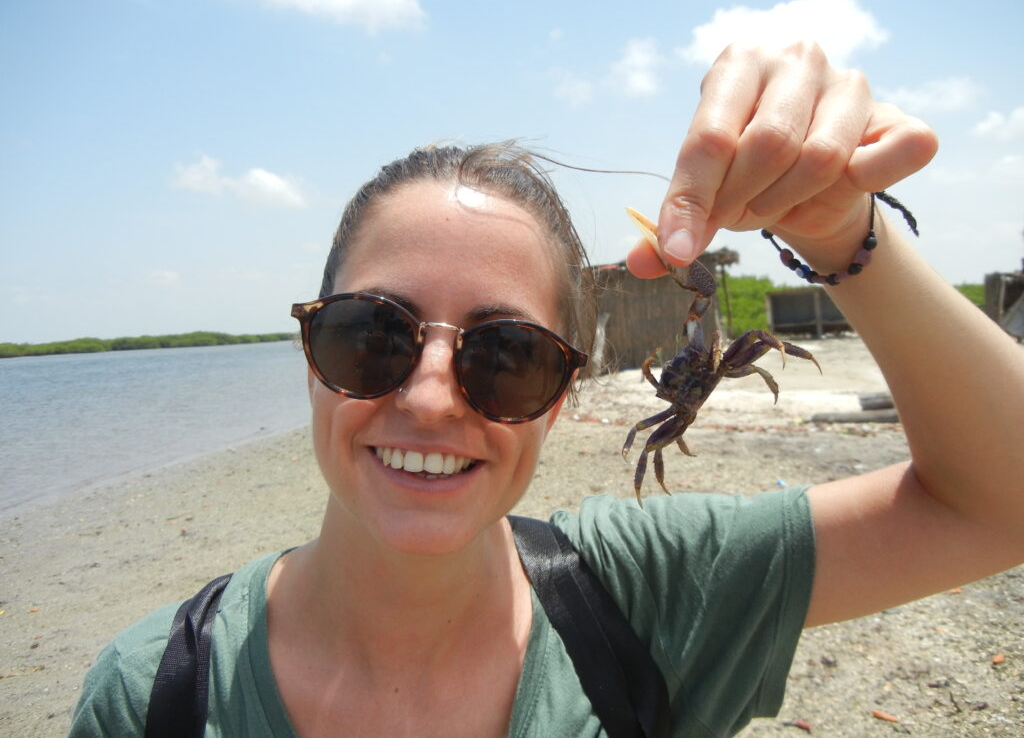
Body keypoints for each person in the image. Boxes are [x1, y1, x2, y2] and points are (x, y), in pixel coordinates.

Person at [69, 42, 1024, 737]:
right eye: (373, 337)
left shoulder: (644, 595)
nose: (434, 398)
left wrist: (843, 232)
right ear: (312, 356)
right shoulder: (155, 695)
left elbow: (998, 502)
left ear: (563, 391)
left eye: (508, 355)